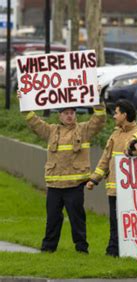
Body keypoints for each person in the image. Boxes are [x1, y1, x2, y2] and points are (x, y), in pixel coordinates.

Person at [22, 91, 106, 253]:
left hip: (75, 185)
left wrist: (97, 99)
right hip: (54, 184)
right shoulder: (51, 130)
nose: (69, 116)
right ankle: (48, 248)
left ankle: (81, 249)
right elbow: (34, 122)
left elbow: (100, 120)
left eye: (72, 113)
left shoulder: (84, 130)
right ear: (59, 116)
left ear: (75, 115)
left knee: (77, 219)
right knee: (52, 218)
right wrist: (24, 101)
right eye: (66, 113)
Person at [86, 99, 137, 257]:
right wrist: (94, 179)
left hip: (132, 189)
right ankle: (113, 251)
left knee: (131, 221)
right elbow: (105, 159)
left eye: (116, 113)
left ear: (124, 114)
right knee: (115, 222)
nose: (114, 116)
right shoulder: (115, 134)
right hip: (114, 188)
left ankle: (130, 251)